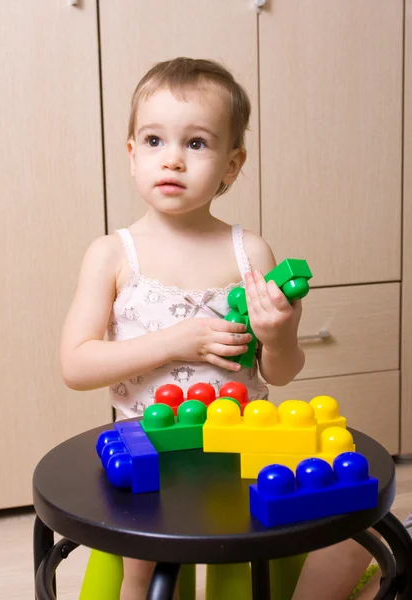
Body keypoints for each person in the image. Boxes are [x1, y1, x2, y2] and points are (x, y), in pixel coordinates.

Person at [60, 57, 378, 600]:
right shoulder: (112, 254)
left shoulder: (249, 252)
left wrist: (277, 334)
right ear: (132, 154)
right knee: (144, 564)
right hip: (151, 457)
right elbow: (76, 365)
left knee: (356, 539)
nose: (174, 161)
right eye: (155, 141)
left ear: (232, 165)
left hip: (241, 454)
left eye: (197, 144)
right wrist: (175, 341)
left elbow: (278, 372)